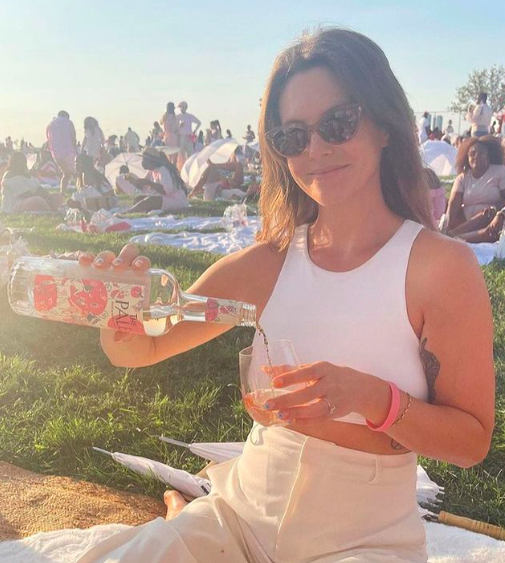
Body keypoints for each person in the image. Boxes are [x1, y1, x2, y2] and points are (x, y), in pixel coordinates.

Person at [75, 28, 494, 563]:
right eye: (292, 136)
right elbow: (143, 348)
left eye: (338, 122)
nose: (315, 149)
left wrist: (371, 398)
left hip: (365, 541)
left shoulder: (438, 268)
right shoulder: (267, 264)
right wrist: (117, 313)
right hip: (241, 517)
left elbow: (471, 441)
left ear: (385, 125)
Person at [445, 136, 505, 242]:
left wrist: (499, 213)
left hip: (494, 220)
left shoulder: (500, 171)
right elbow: (453, 207)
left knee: (488, 214)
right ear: (466, 157)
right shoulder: (462, 178)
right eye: (472, 154)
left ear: (489, 156)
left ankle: (451, 236)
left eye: (481, 153)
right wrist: (448, 223)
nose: (476, 156)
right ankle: (455, 235)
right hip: (467, 225)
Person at [122, 147, 188, 213]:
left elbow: (165, 191)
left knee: (150, 200)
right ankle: (140, 210)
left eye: (144, 160)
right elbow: (143, 187)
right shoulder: (151, 171)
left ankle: (127, 213)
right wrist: (133, 181)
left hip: (176, 200)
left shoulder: (163, 170)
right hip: (164, 199)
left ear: (151, 161)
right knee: (138, 199)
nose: (142, 162)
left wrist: (149, 183)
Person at [46, 110, 77, 193]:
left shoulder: (50, 124)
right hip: (68, 151)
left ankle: (62, 192)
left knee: (66, 173)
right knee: (77, 173)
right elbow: (73, 137)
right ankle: (81, 190)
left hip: (56, 153)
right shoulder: (69, 122)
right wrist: (75, 150)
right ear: (66, 116)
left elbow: (48, 139)